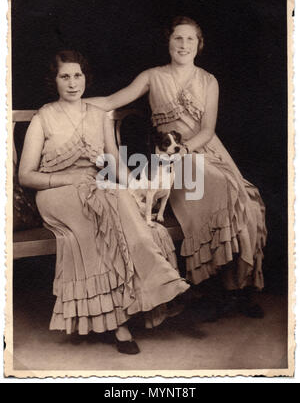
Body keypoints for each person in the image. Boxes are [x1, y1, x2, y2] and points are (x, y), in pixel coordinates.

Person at [86, 16, 267, 318]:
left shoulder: (209, 81)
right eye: (177, 39)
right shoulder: (152, 76)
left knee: (247, 201)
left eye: (190, 40)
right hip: (171, 163)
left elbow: (207, 130)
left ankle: (237, 289)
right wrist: (69, 104)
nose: (183, 45)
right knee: (221, 186)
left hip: (202, 150)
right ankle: (214, 287)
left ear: (199, 45)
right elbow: (110, 100)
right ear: (168, 42)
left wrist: (187, 149)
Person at [18, 50, 190, 355]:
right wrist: (68, 180)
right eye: (65, 76)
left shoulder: (98, 115)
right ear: (54, 80)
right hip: (56, 191)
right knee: (96, 214)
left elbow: (114, 162)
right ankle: (118, 321)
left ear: (86, 78)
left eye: (78, 75)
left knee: (120, 197)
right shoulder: (44, 117)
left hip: (96, 186)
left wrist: (134, 188)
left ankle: (156, 278)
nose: (73, 83)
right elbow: (27, 175)